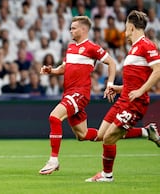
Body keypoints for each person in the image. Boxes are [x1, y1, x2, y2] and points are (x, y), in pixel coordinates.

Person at [86, 10, 160, 182]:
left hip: (135, 102)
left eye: (126, 28)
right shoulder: (134, 48)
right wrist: (119, 89)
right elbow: (134, 82)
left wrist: (141, 91)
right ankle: (145, 132)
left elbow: (158, 71)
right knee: (102, 135)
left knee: (110, 137)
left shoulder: (146, 45)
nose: (124, 31)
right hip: (124, 99)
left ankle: (107, 175)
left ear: (131, 27)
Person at [38, 16, 117, 175]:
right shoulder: (71, 47)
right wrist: (51, 71)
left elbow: (112, 63)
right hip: (69, 93)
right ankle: (130, 132)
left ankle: (53, 160)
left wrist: (109, 85)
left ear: (83, 29)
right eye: (70, 28)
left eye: (74, 28)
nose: (70, 30)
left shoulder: (91, 47)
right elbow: (64, 67)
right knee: (83, 135)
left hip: (79, 93)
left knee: (54, 117)